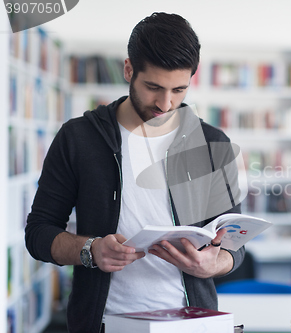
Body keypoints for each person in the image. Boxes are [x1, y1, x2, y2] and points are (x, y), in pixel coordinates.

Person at [25, 12, 245, 333]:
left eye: (179, 90)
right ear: (129, 69)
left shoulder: (212, 143)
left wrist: (216, 262)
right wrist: (90, 250)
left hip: (192, 323)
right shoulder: (78, 138)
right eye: (153, 87)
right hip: (102, 323)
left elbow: (234, 242)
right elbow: (39, 233)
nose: (166, 103)